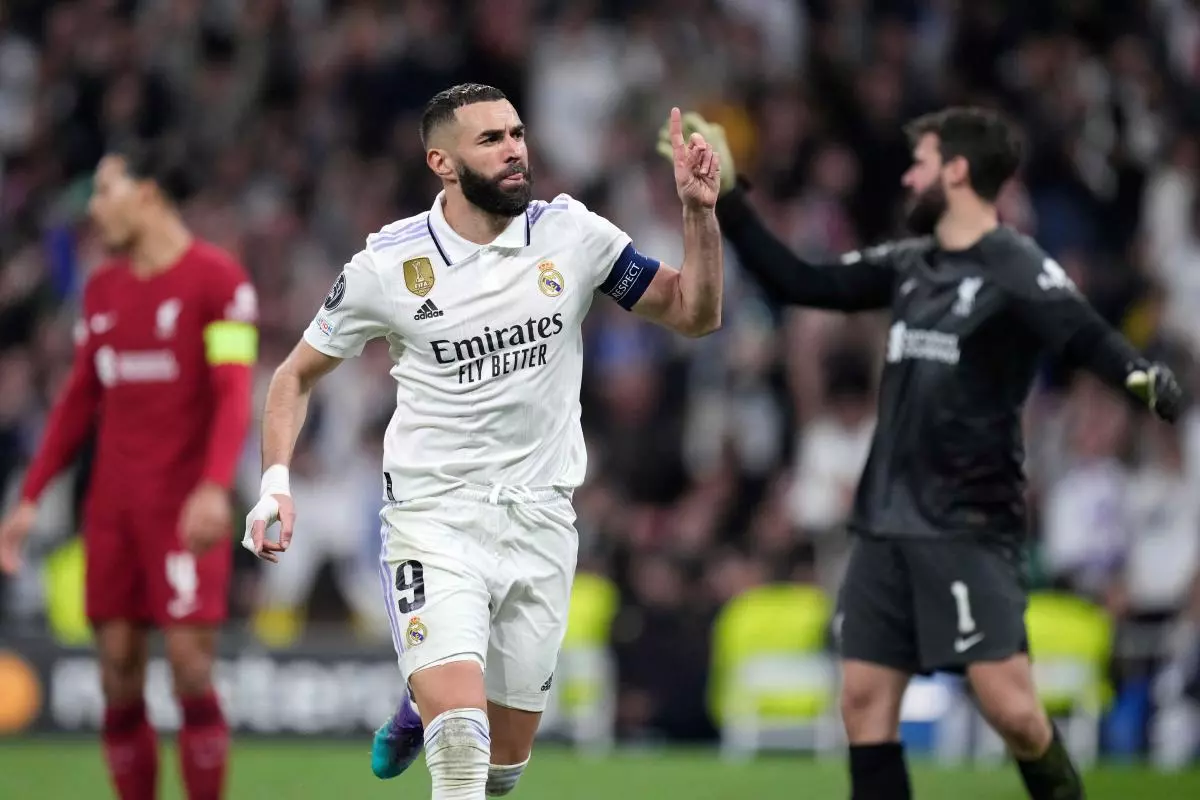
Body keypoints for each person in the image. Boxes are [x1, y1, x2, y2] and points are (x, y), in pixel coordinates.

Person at [658, 107, 1183, 799]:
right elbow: (801, 282)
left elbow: (1083, 333)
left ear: (959, 171)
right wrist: (728, 196)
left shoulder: (1014, 264)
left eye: (922, 162)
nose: (908, 176)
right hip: (884, 525)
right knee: (864, 705)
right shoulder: (909, 264)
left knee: (1015, 713)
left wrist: (1140, 376)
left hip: (967, 527)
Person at [242, 83, 723, 800]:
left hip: (541, 521)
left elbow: (693, 314)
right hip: (435, 521)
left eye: (518, 133)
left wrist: (697, 214)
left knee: (502, 769)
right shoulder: (388, 265)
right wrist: (275, 481)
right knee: (462, 750)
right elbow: (294, 376)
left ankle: (421, 701)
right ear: (442, 161)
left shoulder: (572, 236)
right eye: (491, 140)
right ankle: (439, 696)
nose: (514, 150)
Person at [0, 148, 258, 799]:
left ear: (146, 193)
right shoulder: (102, 288)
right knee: (117, 670)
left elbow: (234, 393)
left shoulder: (219, 281)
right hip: (111, 510)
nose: (94, 208)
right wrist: (31, 496)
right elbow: (79, 398)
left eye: (104, 190)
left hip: (183, 509)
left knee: (190, 669)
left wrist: (212, 486)